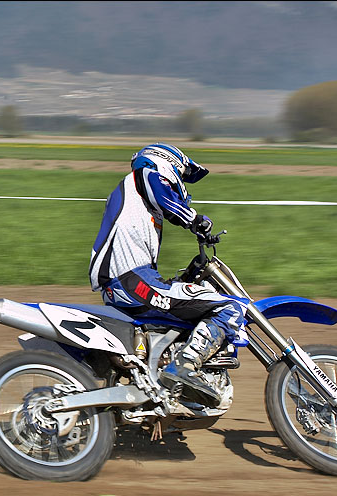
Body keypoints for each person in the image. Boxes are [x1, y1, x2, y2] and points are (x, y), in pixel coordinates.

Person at [89, 143, 248, 406]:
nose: (180, 185)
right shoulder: (143, 176)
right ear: (166, 164)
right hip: (130, 281)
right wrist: (194, 219)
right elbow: (162, 193)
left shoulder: (139, 203)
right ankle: (184, 367)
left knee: (184, 303)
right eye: (181, 174)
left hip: (132, 281)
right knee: (229, 307)